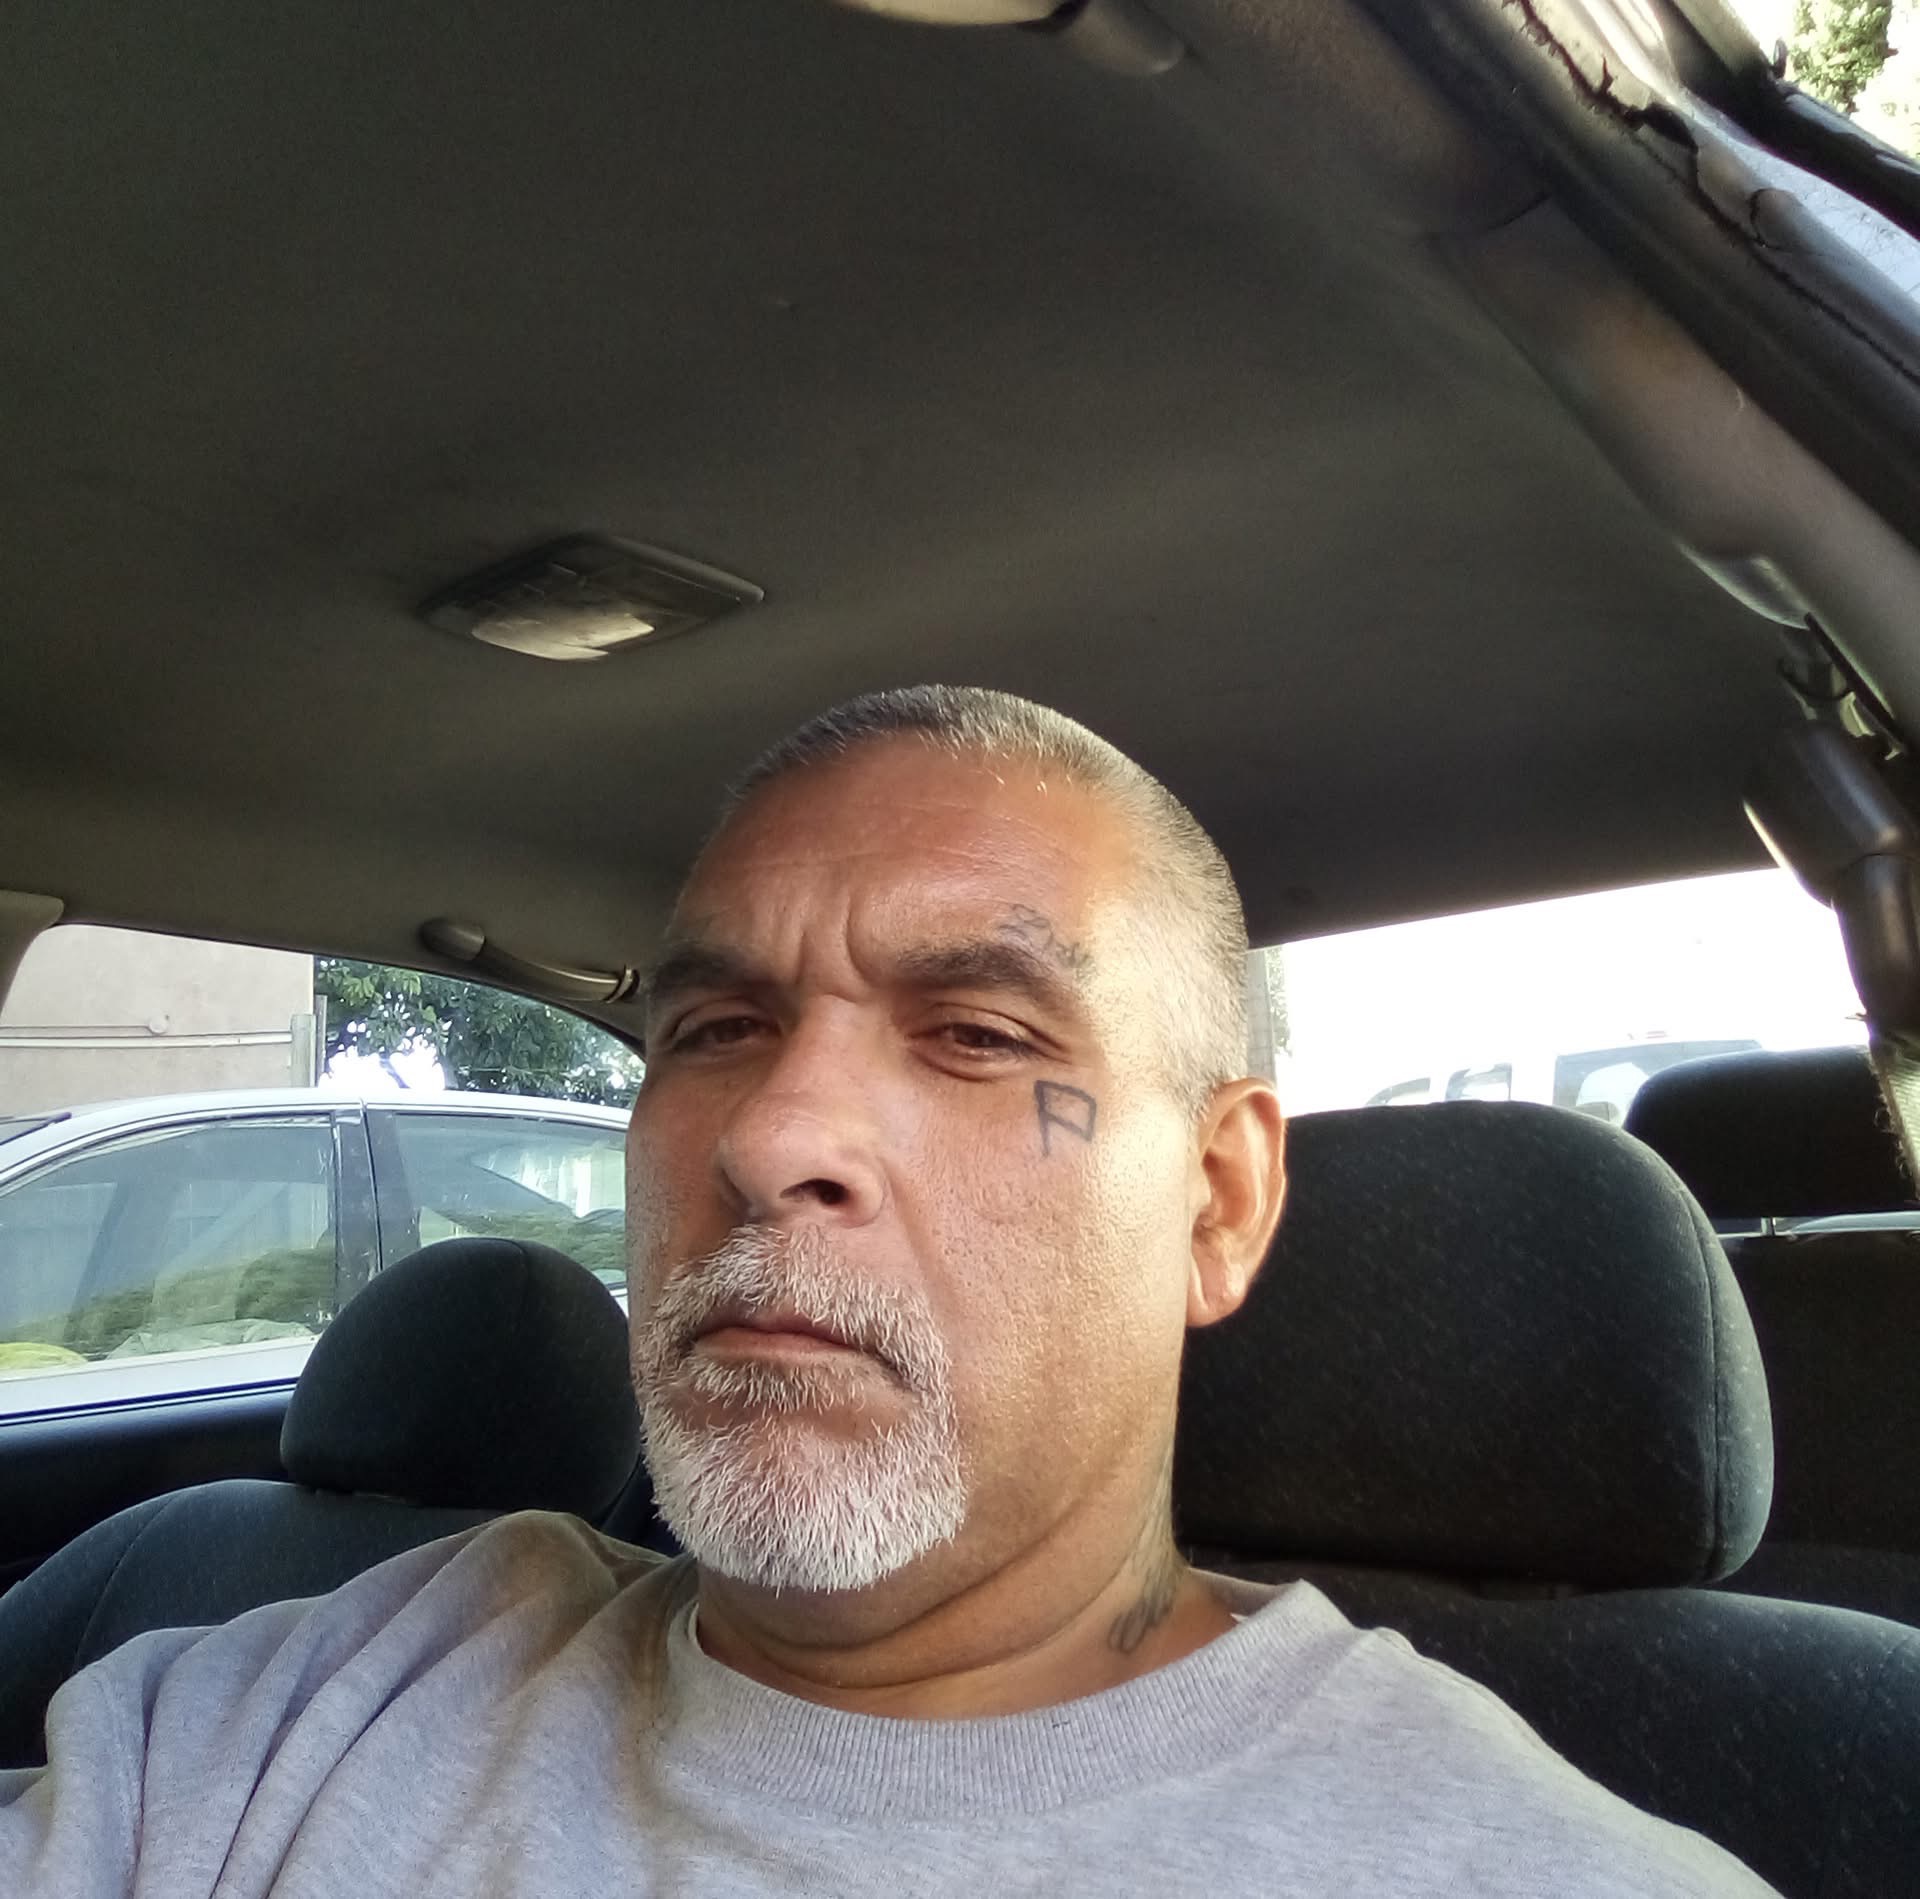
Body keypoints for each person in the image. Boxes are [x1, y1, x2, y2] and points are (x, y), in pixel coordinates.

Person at [0, 686, 1773, 1896]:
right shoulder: (311, 1697)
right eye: (717, 1029)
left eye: (979, 1035)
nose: (772, 1136)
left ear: (1217, 1203)